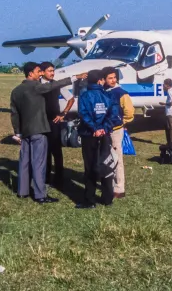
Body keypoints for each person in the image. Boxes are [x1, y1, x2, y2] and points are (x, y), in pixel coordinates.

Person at [10, 62, 84, 203]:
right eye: (39, 71)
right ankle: (40, 195)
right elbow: (54, 85)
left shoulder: (16, 91)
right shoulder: (36, 87)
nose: (41, 74)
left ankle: (22, 191)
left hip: (25, 132)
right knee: (39, 163)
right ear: (31, 73)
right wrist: (75, 77)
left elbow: (14, 114)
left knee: (24, 162)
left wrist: (17, 133)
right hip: (39, 130)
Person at [77, 70, 119, 209]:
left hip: (89, 135)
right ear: (100, 80)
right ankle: (107, 198)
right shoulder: (108, 95)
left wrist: (94, 128)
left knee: (90, 167)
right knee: (106, 163)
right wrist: (104, 129)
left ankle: (90, 200)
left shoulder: (84, 96)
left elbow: (84, 114)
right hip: (105, 135)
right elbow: (113, 115)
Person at [39, 62, 75, 187]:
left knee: (56, 150)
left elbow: (71, 99)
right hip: (40, 122)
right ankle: (46, 177)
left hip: (54, 122)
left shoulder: (56, 85)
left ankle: (59, 178)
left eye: (53, 70)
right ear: (42, 72)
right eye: (49, 71)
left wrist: (63, 113)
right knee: (44, 151)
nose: (52, 73)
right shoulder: (36, 85)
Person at [102, 66, 135, 199]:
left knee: (117, 157)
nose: (113, 80)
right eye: (110, 78)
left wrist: (121, 122)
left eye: (114, 77)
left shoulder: (122, 93)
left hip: (116, 130)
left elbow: (129, 112)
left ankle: (119, 187)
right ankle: (107, 182)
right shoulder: (103, 91)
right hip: (104, 129)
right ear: (104, 79)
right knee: (106, 157)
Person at [159, 78, 172, 146]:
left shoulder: (170, 92)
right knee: (168, 126)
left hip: (170, 111)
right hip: (170, 111)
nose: (163, 86)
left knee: (171, 126)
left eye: (164, 85)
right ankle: (169, 141)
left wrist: (163, 104)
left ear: (167, 85)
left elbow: (171, 103)